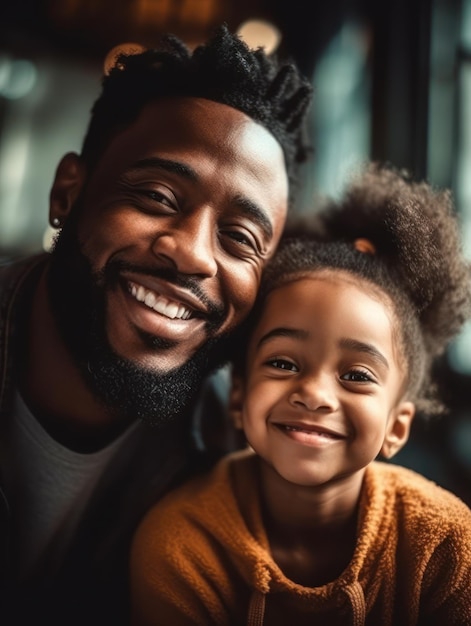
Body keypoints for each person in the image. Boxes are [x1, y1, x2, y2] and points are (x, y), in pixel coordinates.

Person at [0, 24, 313, 625]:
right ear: (68, 193)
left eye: (240, 239)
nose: (193, 254)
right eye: (158, 197)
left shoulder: (238, 450)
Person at [130, 164, 471, 626]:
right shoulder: (180, 542)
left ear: (396, 426)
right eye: (284, 364)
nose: (314, 394)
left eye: (356, 375)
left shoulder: (446, 543)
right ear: (238, 397)